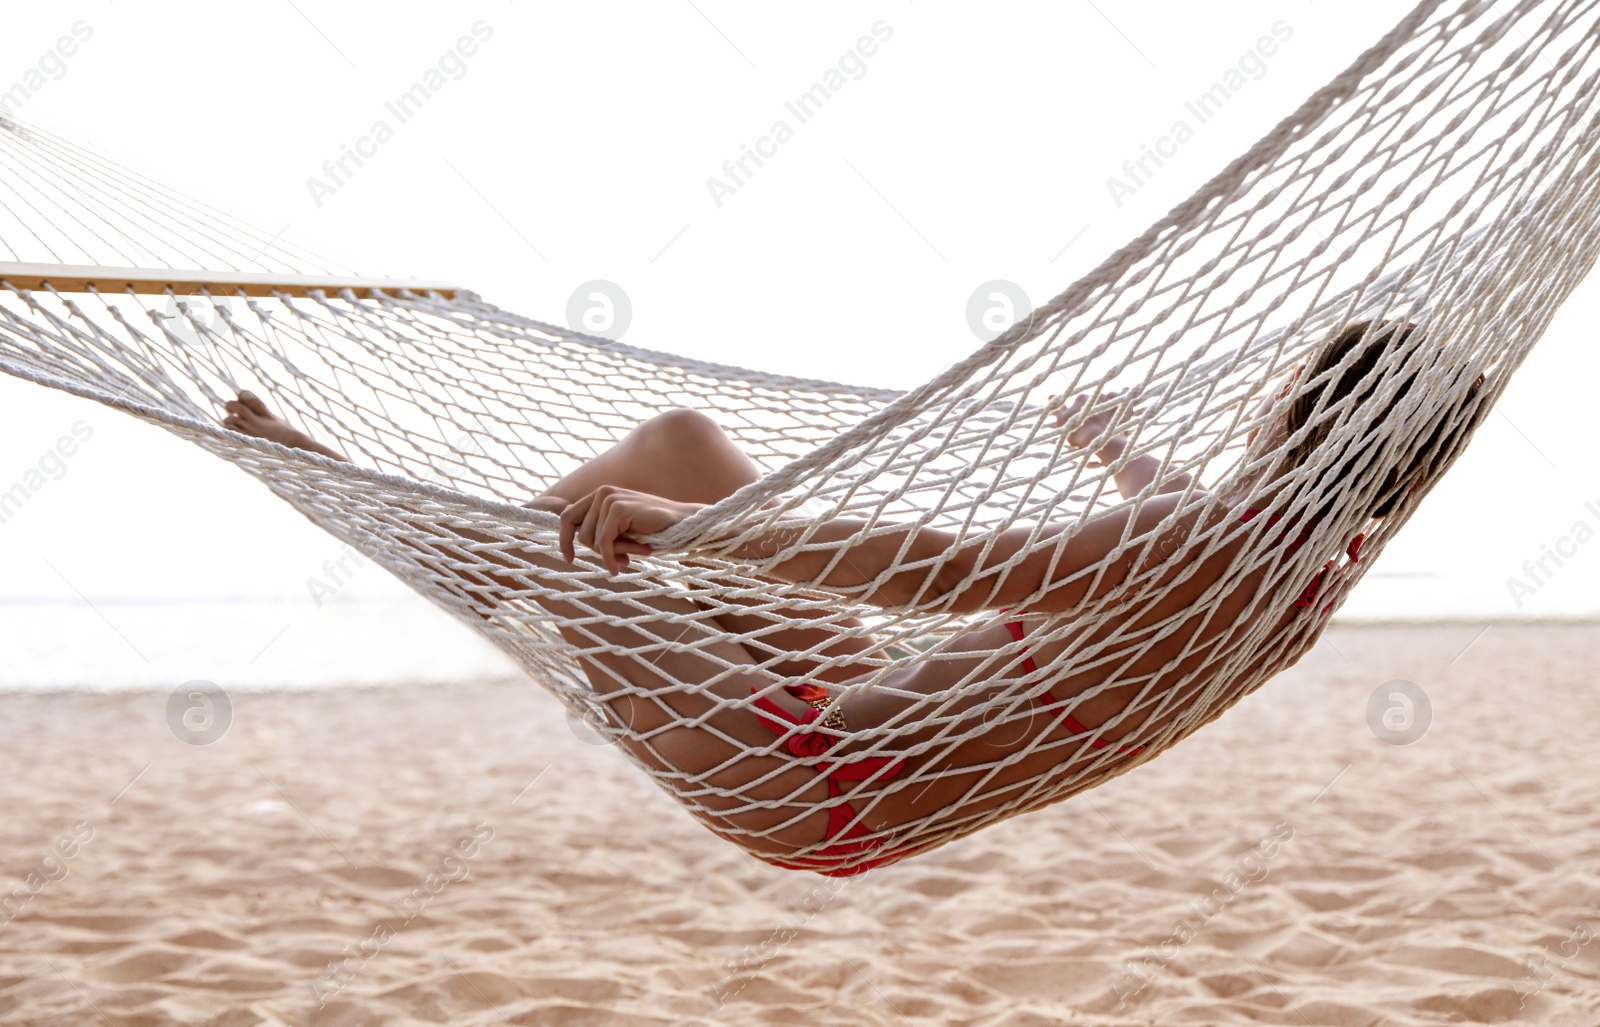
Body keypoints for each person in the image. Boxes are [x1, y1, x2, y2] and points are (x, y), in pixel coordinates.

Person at [219, 320, 1474, 874]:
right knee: (683, 436)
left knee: (589, 547)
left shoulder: (1212, 537)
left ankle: (351, 497)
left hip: (802, 771)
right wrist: (1114, 447)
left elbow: (950, 570)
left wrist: (703, 536)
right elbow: (1169, 543)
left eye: (1292, 381)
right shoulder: (1294, 565)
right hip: (841, 718)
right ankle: (458, 552)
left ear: (1304, 410)